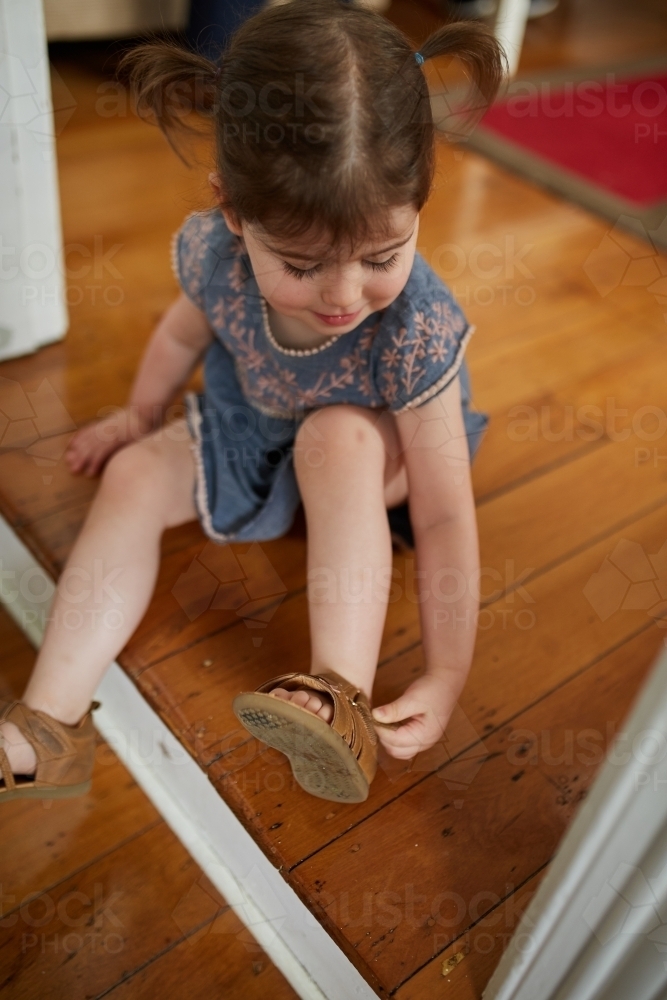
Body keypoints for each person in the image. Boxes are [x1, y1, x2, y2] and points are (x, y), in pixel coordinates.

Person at [0, 0, 505, 805]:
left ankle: (337, 696)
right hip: (255, 422)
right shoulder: (214, 251)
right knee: (132, 475)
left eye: (381, 254)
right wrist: (140, 414)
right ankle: (48, 729)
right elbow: (177, 338)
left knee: (334, 441)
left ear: (420, 204)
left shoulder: (412, 326)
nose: (344, 296)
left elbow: (445, 514)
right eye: (301, 266)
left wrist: (445, 675)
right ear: (232, 210)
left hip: (381, 453)